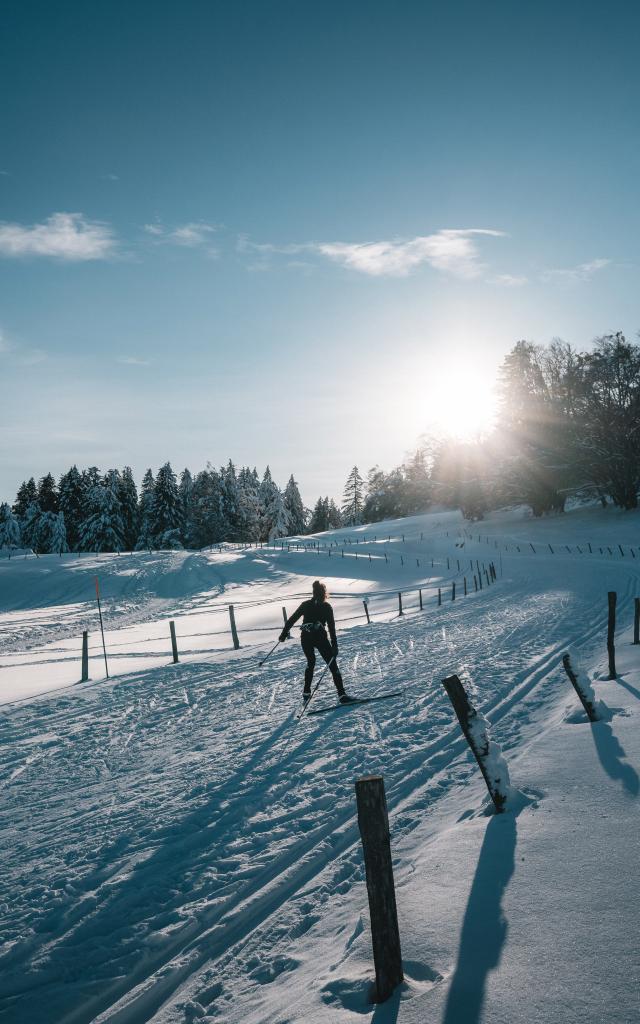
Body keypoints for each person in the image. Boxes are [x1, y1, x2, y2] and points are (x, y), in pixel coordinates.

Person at [279, 580, 353, 703]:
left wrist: (283, 634)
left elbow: (291, 620)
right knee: (332, 664)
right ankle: (342, 695)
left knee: (311, 663)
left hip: (306, 638)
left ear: (313, 593)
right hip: (320, 638)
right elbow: (331, 627)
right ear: (324, 594)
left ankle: (306, 692)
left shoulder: (305, 604)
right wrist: (334, 645)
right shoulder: (326, 607)